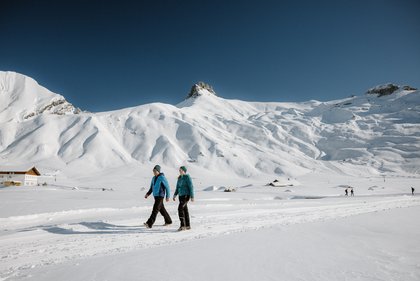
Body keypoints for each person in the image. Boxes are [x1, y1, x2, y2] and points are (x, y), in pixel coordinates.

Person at [173, 166, 194, 231]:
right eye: (179, 170)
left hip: (186, 196)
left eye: (181, 170)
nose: (180, 171)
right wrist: (175, 195)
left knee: (180, 208)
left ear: (184, 171)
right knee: (185, 210)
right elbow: (177, 187)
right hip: (180, 196)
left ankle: (182, 225)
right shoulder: (179, 178)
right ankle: (188, 225)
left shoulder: (187, 177)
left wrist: (192, 196)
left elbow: (191, 187)